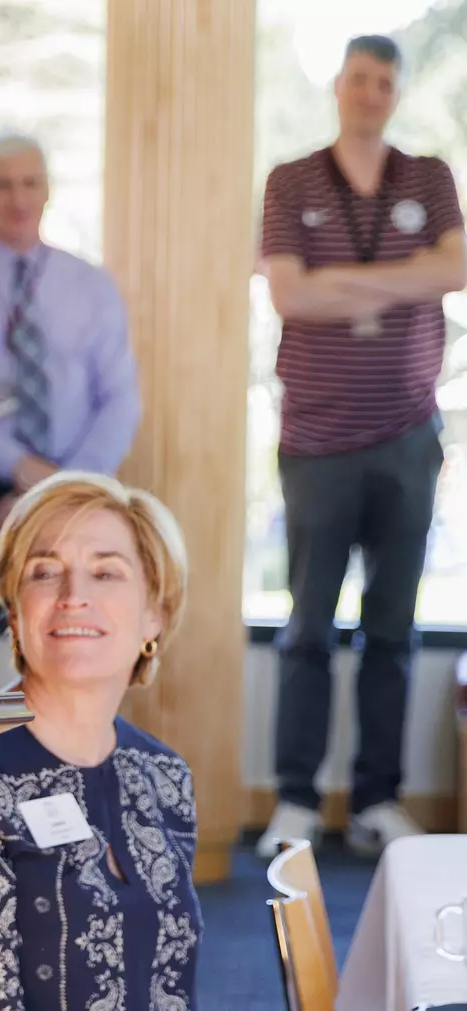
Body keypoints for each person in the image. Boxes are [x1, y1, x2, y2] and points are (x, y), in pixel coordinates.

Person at [0, 472, 201, 1011]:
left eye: (106, 573)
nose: (75, 596)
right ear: (14, 611)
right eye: (45, 572)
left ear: (155, 615)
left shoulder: (163, 775)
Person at [255, 35, 463, 860]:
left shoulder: (430, 176)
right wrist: (402, 273)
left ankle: (377, 798)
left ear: (397, 94)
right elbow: (287, 291)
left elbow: (454, 270)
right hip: (316, 439)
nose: (371, 92)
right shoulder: (292, 179)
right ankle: (297, 801)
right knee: (309, 627)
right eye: (360, 79)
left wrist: (340, 284)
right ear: (337, 87)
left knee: (394, 627)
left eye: (386, 82)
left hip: (409, 437)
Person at [0, 133, 141, 698]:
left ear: (48, 190)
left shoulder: (90, 285)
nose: (17, 197)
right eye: (3, 184)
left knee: (65, 645)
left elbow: (121, 399)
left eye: (29, 183)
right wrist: (21, 470)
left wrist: (55, 487)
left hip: (73, 489)